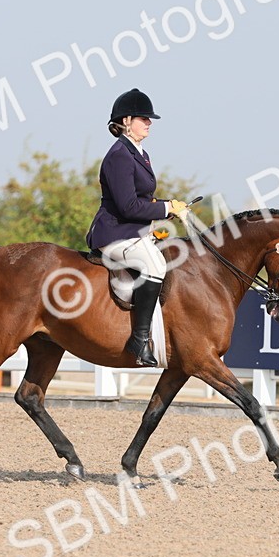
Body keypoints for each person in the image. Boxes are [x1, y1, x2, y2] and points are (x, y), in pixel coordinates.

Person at [86, 88, 189, 367]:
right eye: (144, 118)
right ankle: (139, 340)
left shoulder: (139, 153)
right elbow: (128, 207)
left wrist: (170, 205)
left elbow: (143, 199)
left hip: (134, 231)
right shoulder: (119, 154)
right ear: (127, 120)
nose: (149, 123)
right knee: (156, 266)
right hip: (115, 232)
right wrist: (166, 209)